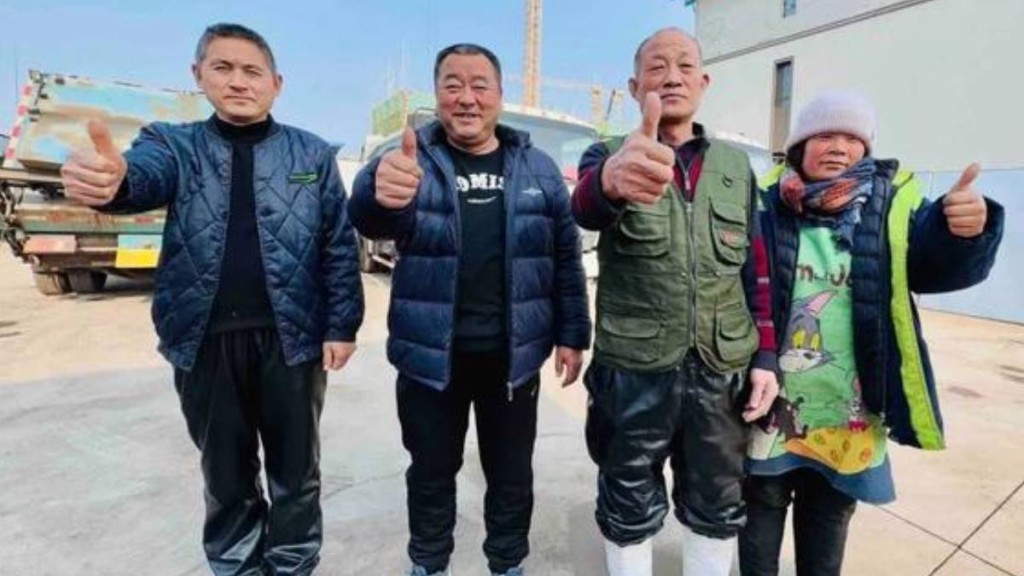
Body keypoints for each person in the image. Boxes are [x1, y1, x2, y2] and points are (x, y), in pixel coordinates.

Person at [59, 23, 364, 576]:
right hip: (203, 340)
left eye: (252, 71)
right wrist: (116, 180)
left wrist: (342, 325)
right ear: (198, 75)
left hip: (292, 341)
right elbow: (142, 177)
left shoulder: (311, 154)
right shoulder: (173, 145)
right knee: (225, 474)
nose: (238, 82)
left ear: (276, 84)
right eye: (223, 68)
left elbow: (338, 245)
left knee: (297, 473)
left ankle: (292, 565)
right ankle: (236, 566)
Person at [347, 43, 591, 576]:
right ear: (437, 95)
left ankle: (507, 563)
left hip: (512, 360)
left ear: (499, 95)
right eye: (452, 84)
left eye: (479, 85)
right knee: (430, 473)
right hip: (430, 358)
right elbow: (370, 218)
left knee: (511, 477)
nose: (466, 97)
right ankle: (428, 563)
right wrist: (375, 190)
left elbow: (564, 256)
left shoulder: (538, 168)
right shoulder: (413, 161)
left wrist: (573, 333)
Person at [740, 90, 1005, 576]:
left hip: (850, 412)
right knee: (759, 517)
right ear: (798, 146)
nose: (838, 147)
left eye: (852, 138)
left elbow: (934, 264)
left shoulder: (894, 204)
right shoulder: (761, 201)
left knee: (827, 521)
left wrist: (965, 234)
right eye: (824, 135)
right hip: (771, 407)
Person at [571, 27, 779, 576]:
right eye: (657, 67)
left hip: (722, 371)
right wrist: (611, 181)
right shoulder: (607, 155)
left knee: (717, 504)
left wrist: (766, 357)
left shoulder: (736, 168)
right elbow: (586, 206)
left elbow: (756, 272)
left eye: (685, 66)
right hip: (633, 370)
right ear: (634, 86)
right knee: (627, 502)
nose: (671, 77)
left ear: (704, 82)